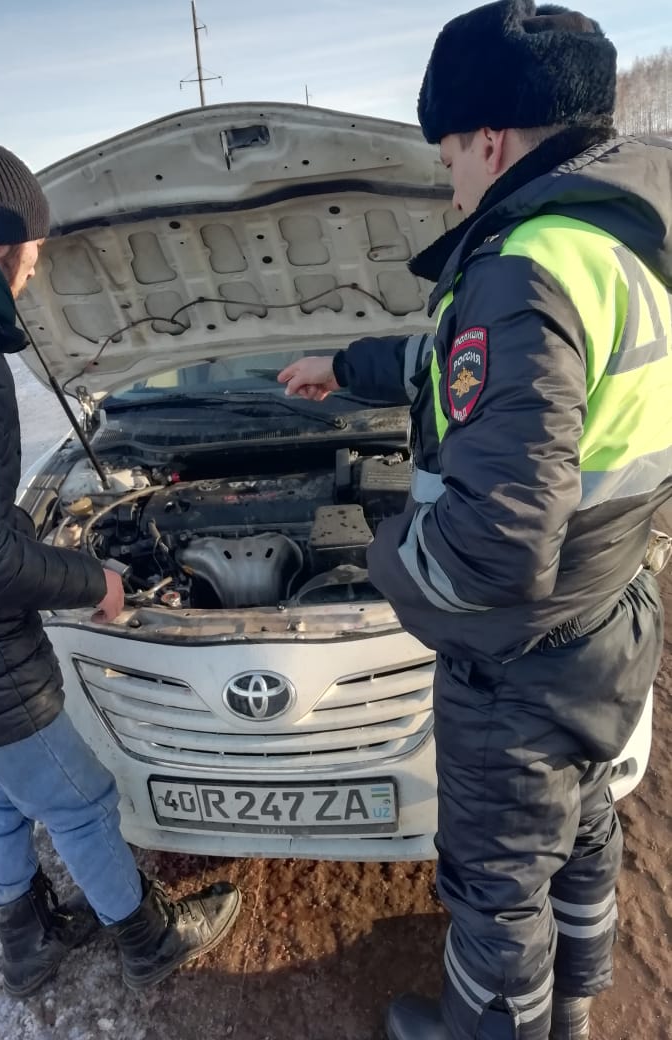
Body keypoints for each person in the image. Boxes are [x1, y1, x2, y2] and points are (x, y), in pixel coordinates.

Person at [281, 3, 672, 1039]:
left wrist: (380, 560)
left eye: (446, 150)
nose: (449, 175)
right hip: (612, 612)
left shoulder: (523, 266)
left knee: (497, 885)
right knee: (586, 828)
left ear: (486, 138)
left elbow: (496, 543)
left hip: (520, 658)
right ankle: (576, 1002)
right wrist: (346, 364)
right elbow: (462, 376)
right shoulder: (620, 244)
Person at [0, 139, 240, 998]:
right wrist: (93, 580)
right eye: (36, 255)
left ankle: (26, 939)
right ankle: (148, 936)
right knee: (78, 798)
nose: (34, 276)